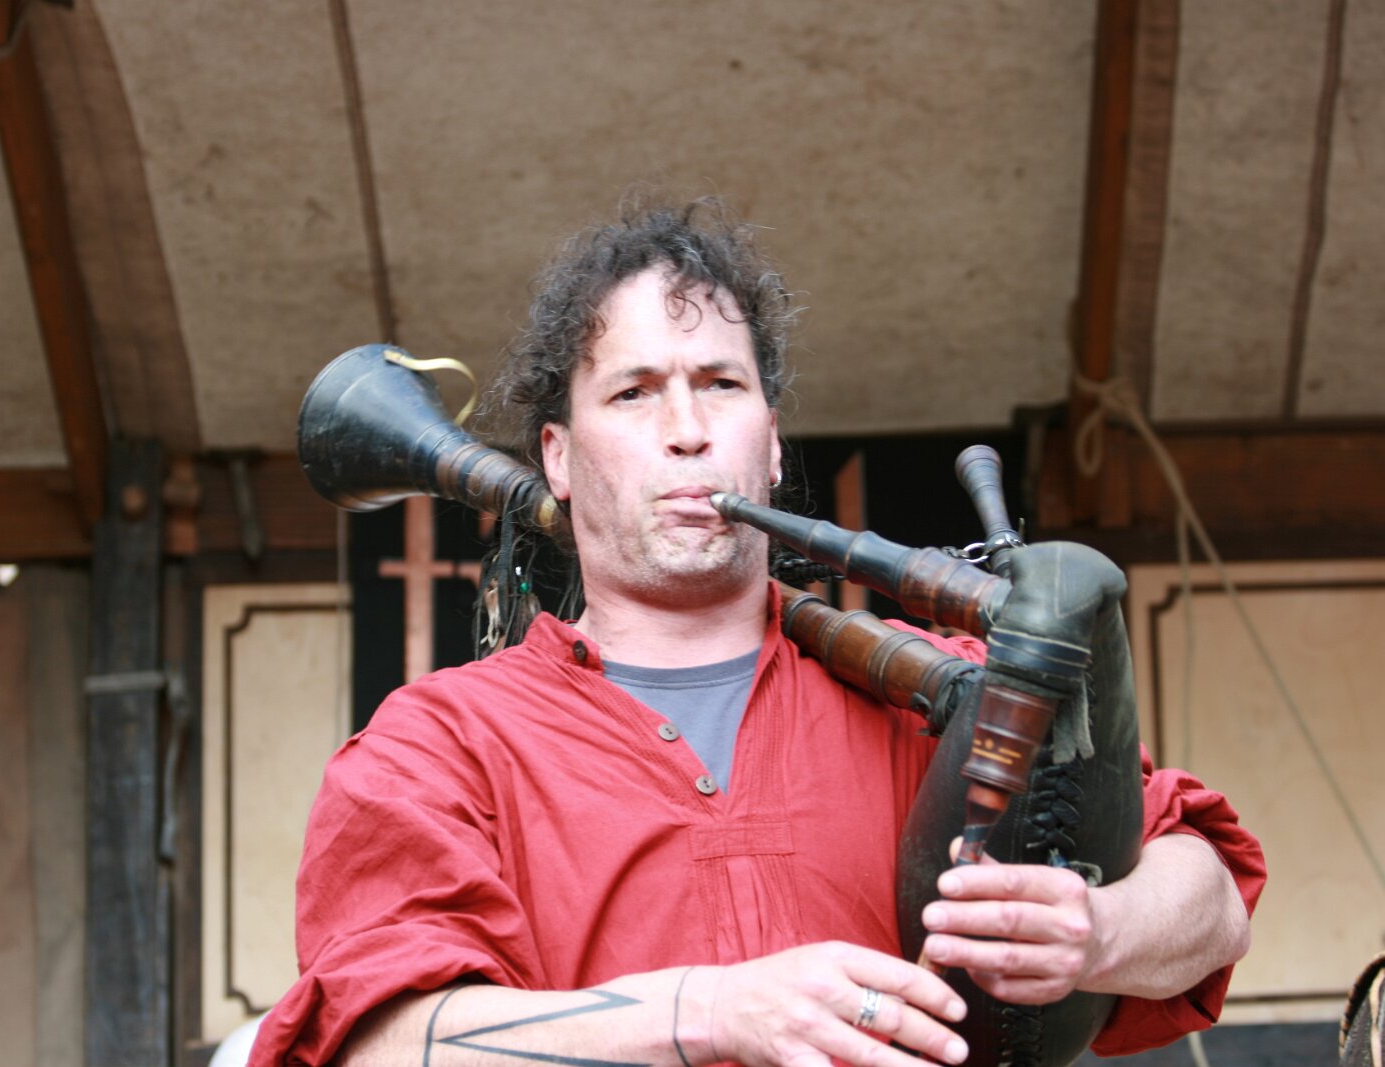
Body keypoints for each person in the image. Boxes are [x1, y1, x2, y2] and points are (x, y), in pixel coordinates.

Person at [249, 199, 1264, 1067]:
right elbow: (374, 1042)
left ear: (771, 444)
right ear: (557, 457)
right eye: (634, 392)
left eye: (721, 384)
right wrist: (709, 1011)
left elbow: (1211, 892)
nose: (687, 430)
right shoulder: (437, 743)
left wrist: (1098, 930)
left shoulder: (949, 690)